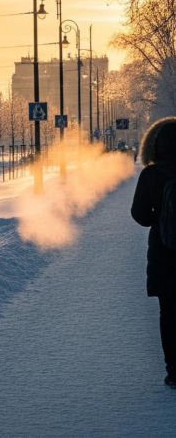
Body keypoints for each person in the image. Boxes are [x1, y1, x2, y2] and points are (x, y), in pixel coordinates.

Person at [131, 116, 176, 388]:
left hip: (165, 254)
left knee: (169, 314)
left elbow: (140, 216)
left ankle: (174, 371)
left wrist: (160, 218)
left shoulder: (152, 174)